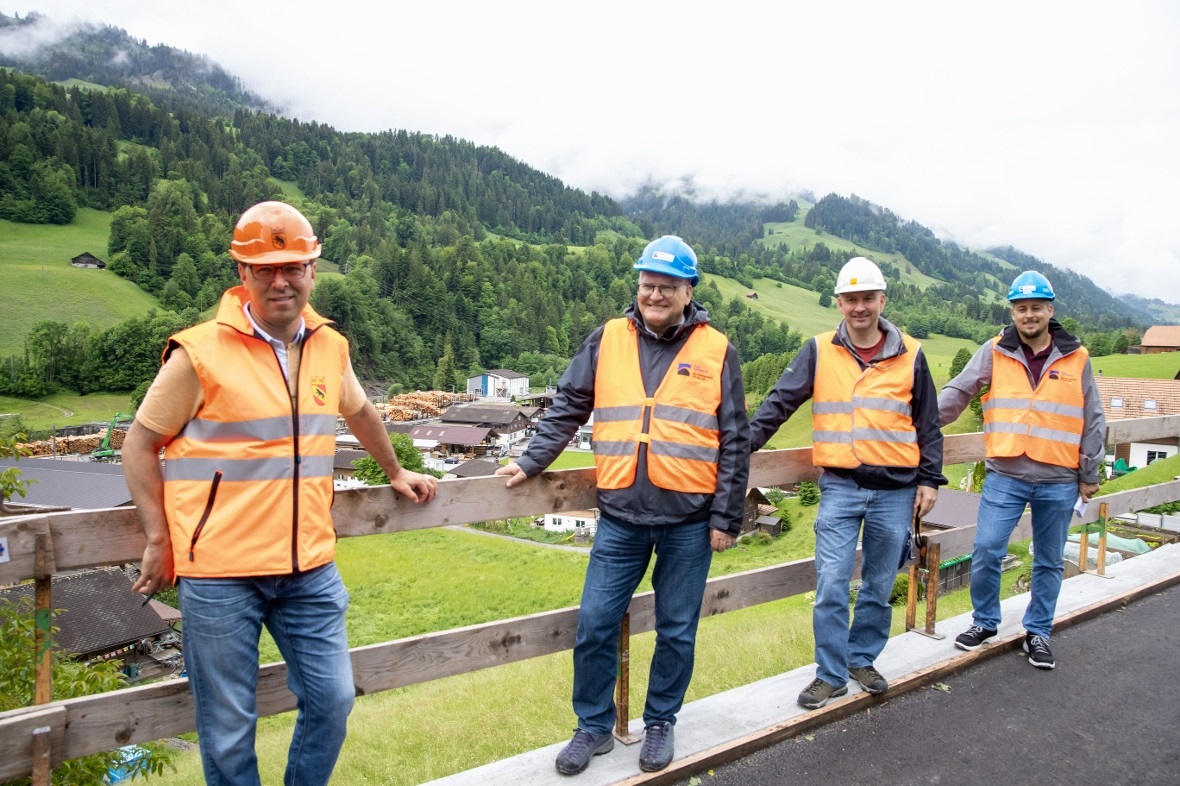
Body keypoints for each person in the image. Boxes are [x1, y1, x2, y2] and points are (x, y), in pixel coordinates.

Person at [122, 201, 438, 786]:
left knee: (334, 700)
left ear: (313, 269)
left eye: (293, 266)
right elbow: (137, 445)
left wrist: (395, 471)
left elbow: (362, 411)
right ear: (242, 274)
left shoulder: (328, 346)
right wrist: (158, 536)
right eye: (264, 268)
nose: (280, 280)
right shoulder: (198, 354)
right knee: (228, 727)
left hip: (308, 569)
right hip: (218, 575)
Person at [495, 236, 749, 776]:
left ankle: (660, 721)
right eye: (647, 284)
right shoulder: (607, 338)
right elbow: (568, 406)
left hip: (689, 521)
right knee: (595, 624)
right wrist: (531, 461)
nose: (654, 294)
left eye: (666, 286)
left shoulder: (717, 349)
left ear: (688, 291)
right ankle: (593, 726)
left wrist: (727, 516)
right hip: (621, 520)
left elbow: (734, 439)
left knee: (678, 629)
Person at [748, 257, 944, 710]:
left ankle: (861, 659)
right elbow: (778, 404)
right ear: (839, 302)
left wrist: (930, 480)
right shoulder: (818, 350)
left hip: (896, 490)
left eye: (867, 298)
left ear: (882, 300)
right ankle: (831, 674)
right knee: (832, 582)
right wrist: (739, 450)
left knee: (878, 583)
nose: (859, 307)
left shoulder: (911, 353)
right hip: (839, 485)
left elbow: (928, 423)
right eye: (851, 299)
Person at [938, 270, 1104, 669]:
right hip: (1006, 473)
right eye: (1021, 308)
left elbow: (1093, 417)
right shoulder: (995, 350)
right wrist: (917, 424)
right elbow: (959, 391)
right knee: (987, 548)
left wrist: (1090, 472)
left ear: (1050, 310)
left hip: (1059, 478)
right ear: (1013, 312)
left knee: (1048, 559)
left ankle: (1039, 632)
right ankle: (985, 622)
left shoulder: (1076, 357)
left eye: (1035, 308)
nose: (1028, 315)